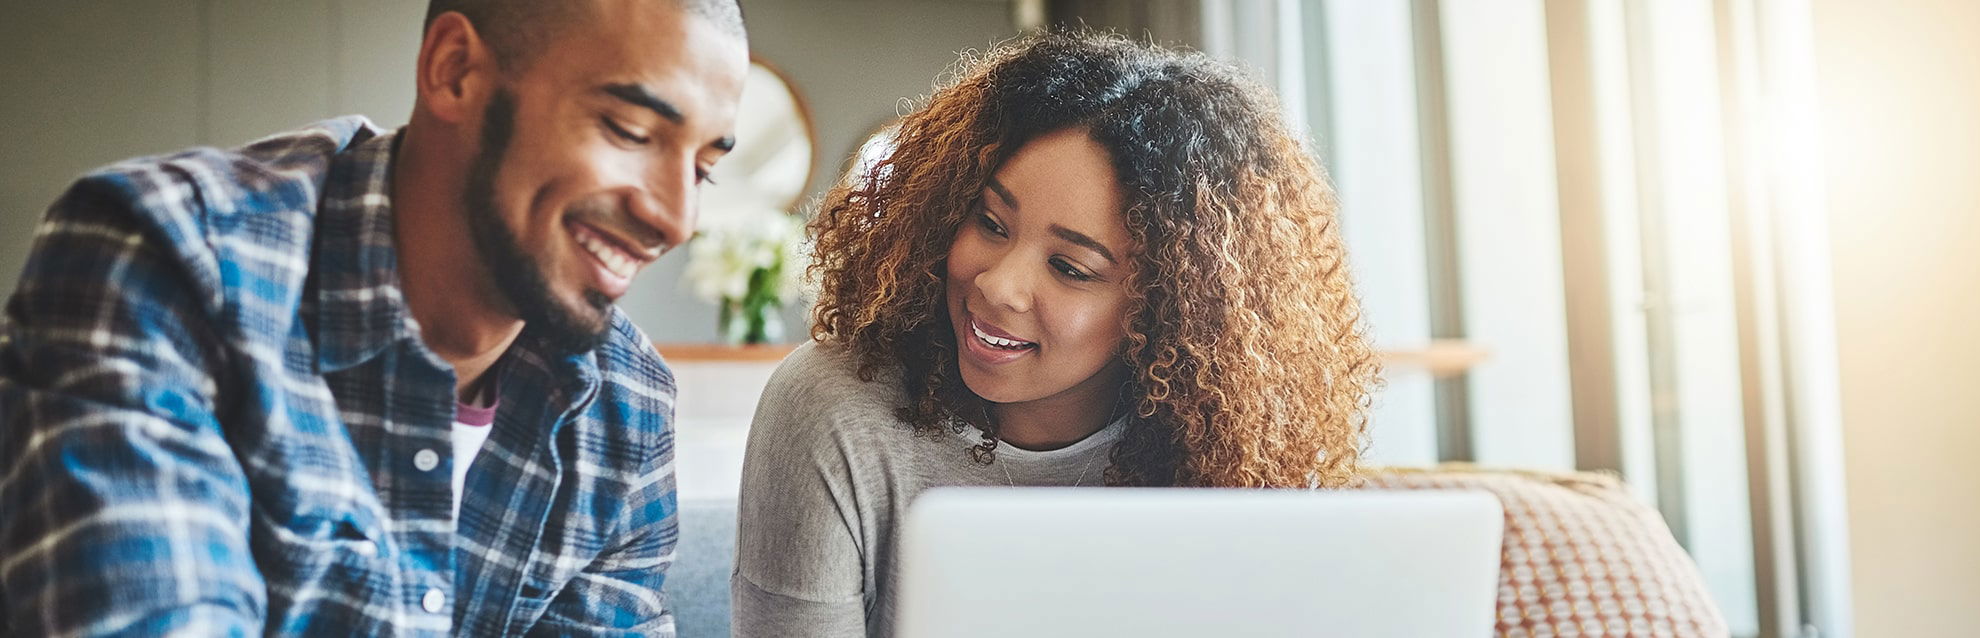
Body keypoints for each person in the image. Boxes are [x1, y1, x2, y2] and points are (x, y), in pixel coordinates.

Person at [0, 0, 746, 634]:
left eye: (704, 168)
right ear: (454, 70)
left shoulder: (629, 405)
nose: (675, 219)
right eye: (629, 131)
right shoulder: (166, 260)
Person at [732, 30, 1381, 637]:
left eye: (1070, 268)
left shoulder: (1231, 451)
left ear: (1167, 308)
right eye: (990, 222)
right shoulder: (835, 411)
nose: (997, 286)